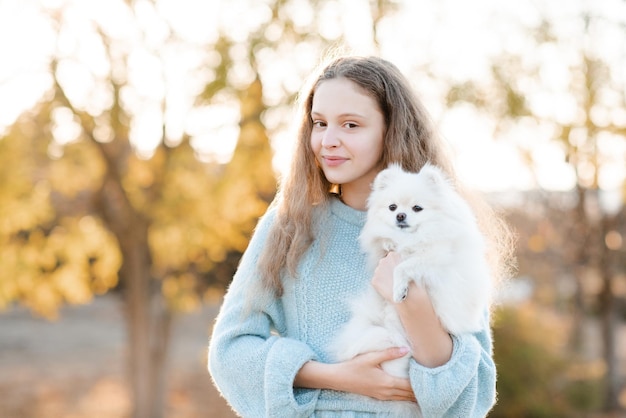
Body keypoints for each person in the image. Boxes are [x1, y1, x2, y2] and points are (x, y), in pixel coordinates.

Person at [208, 54, 513, 417]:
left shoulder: (445, 231)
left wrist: (411, 301)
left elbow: (472, 394)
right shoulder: (289, 225)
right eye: (319, 123)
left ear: (391, 129)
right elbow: (230, 352)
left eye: (351, 125)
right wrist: (338, 377)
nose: (328, 140)